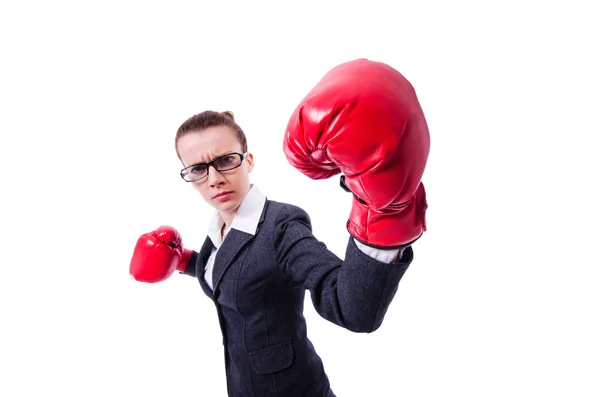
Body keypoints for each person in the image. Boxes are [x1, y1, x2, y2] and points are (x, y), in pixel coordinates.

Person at [130, 58, 430, 397]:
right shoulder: (217, 227)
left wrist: (385, 214)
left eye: (225, 160)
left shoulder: (281, 227)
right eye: (198, 169)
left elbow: (350, 308)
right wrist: (185, 261)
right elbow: (234, 270)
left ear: (249, 161)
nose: (214, 179)